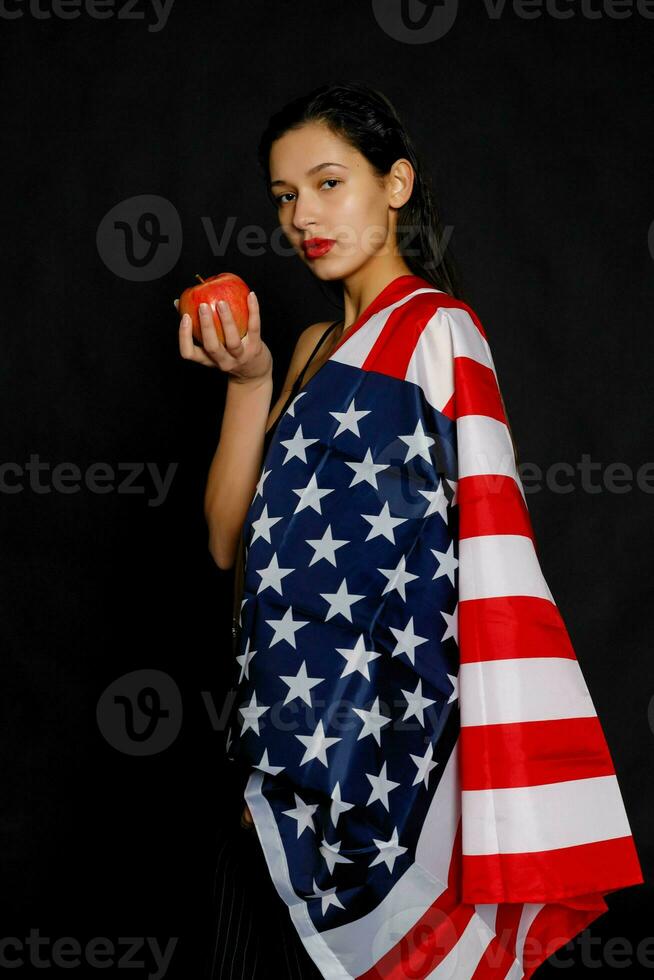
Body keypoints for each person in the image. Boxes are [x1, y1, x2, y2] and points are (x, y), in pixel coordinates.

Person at [178, 81, 643, 979]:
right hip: (274, 742)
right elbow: (227, 545)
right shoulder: (313, 347)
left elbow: (473, 567)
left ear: (395, 185)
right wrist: (248, 382)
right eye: (284, 197)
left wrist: (357, 766)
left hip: (371, 757)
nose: (303, 217)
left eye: (327, 184)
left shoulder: (440, 333)